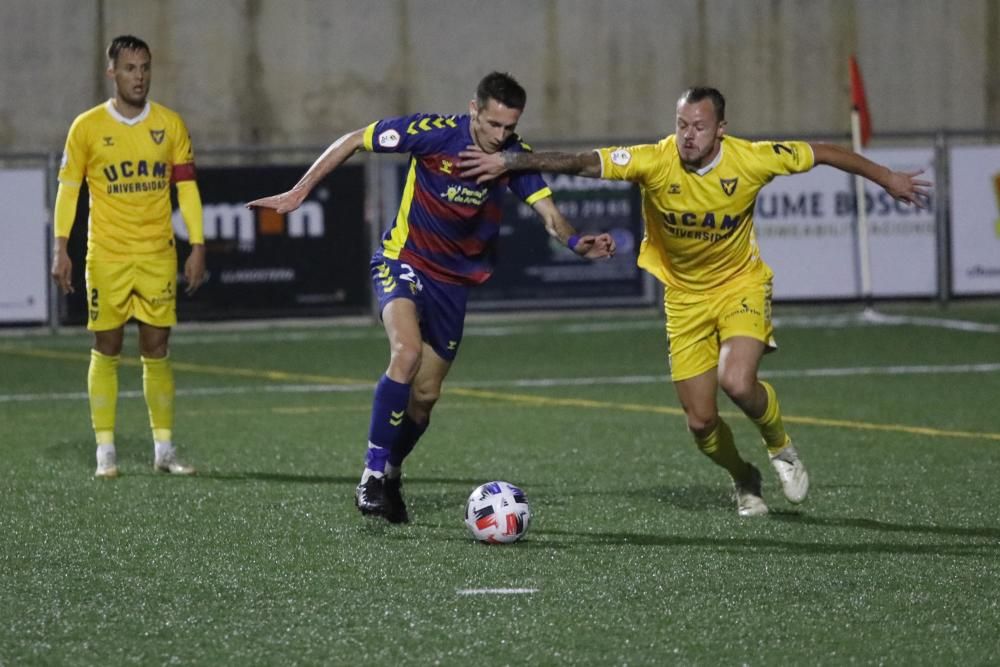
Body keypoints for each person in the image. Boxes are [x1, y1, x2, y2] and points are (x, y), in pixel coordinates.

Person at [459, 86, 930, 516]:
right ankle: (744, 477)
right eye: (682, 124)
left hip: (739, 285)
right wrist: (513, 162)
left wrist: (886, 177)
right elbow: (582, 161)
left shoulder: (751, 159)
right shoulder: (653, 160)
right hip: (683, 298)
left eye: (699, 126)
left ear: (720, 129)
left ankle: (780, 446)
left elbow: (825, 152)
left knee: (738, 381)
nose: (688, 135)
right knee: (701, 424)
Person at [248, 72, 615, 523]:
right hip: (402, 260)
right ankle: (371, 475)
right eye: (493, 124)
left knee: (425, 397)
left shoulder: (514, 159)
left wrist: (578, 244)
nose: (501, 137)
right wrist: (299, 191)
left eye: (509, 127)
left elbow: (551, 216)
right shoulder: (435, 134)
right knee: (404, 354)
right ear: (474, 110)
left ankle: (392, 472)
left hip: (452, 285)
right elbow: (354, 139)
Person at [51, 35, 206, 479]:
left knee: (157, 349)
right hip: (107, 256)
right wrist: (61, 247)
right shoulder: (86, 127)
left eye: (145, 68)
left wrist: (197, 244)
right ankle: (106, 451)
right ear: (112, 72)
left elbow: (187, 189)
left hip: (157, 254)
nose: (139, 77)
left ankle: (164, 449)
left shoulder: (170, 125)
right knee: (107, 346)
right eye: (130, 68)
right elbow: (69, 190)